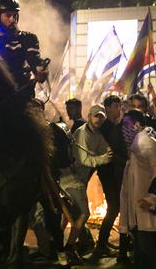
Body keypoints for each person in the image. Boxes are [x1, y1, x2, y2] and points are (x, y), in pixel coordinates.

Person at [118, 109, 156, 269]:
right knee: (141, 252)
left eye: (127, 124)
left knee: (148, 252)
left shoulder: (145, 143)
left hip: (146, 208)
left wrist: (153, 195)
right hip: (140, 207)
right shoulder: (138, 143)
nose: (124, 129)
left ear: (137, 125)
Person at [60, 104, 112, 259]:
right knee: (84, 213)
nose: (98, 119)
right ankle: (69, 247)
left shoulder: (97, 134)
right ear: (89, 116)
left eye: (101, 116)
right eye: (96, 116)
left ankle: (56, 243)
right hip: (71, 178)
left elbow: (106, 149)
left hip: (77, 179)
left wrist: (107, 154)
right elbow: (85, 160)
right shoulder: (83, 133)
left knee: (67, 214)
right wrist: (104, 158)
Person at [0, 0, 48, 101]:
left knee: (35, 117)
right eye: (8, 15)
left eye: (15, 15)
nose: (13, 19)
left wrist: (41, 71)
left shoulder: (28, 39)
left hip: (22, 99)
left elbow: (35, 61)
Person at [92, 95, 130, 265]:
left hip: (125, 173)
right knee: (115, 209)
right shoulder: (104, 128)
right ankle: (105, 246)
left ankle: (115, 247)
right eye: (108, 109)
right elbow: (106, 152)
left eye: (115, 107)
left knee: (122, 211)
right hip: (110, 174)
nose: (117, 109)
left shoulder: (124, 124)